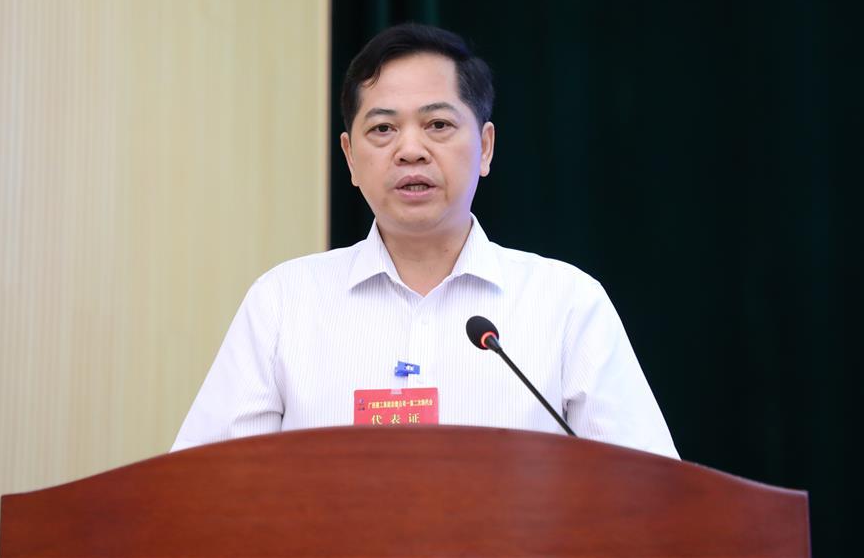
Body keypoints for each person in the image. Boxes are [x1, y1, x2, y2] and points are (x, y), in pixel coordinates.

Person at [172, 23, 678, 458]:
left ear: (485, 147)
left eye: (437, 124)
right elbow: (205, 489)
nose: (410, 150)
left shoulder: (567, 304)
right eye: (383, 129)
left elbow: (648, 494)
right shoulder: (283, 303)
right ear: (349, 158)